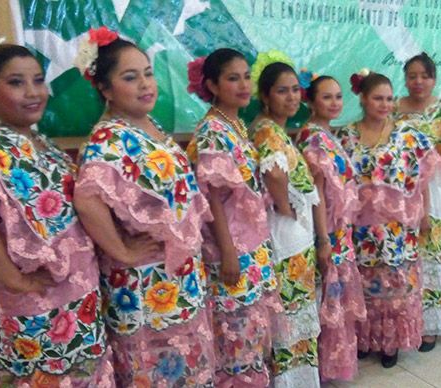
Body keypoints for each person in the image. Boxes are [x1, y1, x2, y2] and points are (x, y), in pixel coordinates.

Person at [0, 33, 113, 386]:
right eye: (16, 83)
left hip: (69, 304)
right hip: (35, 315)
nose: (33, 92)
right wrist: (16, 279)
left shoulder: (34, 140)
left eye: (38, 80)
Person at [72, 28, 215, 386]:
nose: (145, 84)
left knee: (186, 365)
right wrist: (120, 248)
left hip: (177, 275)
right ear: (105, 88)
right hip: (143, 282)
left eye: (148, 73)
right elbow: (87, 200)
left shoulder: (150, 125)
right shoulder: (108, 139)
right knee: (155, 370)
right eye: (130, 77)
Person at [186, 48, 282, 387]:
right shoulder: (212, 131)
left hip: (251, 244)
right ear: (212, 85)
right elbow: (211, 198)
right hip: (231, 250)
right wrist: (227, 252)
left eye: (246, 76)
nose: (243, 85)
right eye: (232, 78)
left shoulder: (235, 124)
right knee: (234, 334)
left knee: (251, 331)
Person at [335, 70, 441, 368]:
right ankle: (366, 339)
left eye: (389, 99)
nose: (385, 104)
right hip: (359, 229)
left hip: (397, 228)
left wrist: (424, 216)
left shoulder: (408, 136)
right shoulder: (346, 136)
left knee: (394, 287)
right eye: (378, 98)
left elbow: (422, 181)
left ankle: (390, 343)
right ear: (363, 99)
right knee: (364, 285)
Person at [250, 50, 321, 387]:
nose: (292, 96)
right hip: (286, 236)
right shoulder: (267, 131)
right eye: (282, 90)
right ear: (265, 96)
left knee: (296, 311)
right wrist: (285, 206)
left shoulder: (278, 130)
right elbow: (275, 175)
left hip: (296, 236)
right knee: (289, 314)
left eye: (295, 89)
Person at [394, 53, 441, 351]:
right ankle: (402, 325)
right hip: (400, 193)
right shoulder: (394, 110)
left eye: (424, 76)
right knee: (403, 259)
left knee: (429, 257)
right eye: (412, 76)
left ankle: (428, 327)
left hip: (436, 192)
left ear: (434, 79)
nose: (418, 82)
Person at [295, 73, 366, 382]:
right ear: (310, 101)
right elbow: (318, 195)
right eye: (327, 97)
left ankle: (333, 364)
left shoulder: (328, 134)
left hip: (340, 229)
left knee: (334, 296)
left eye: (338, 96)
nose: (335, 102)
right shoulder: (314, 138)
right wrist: (324, 239)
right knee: (327, 297)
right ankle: (325, 367)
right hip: (328, 232)